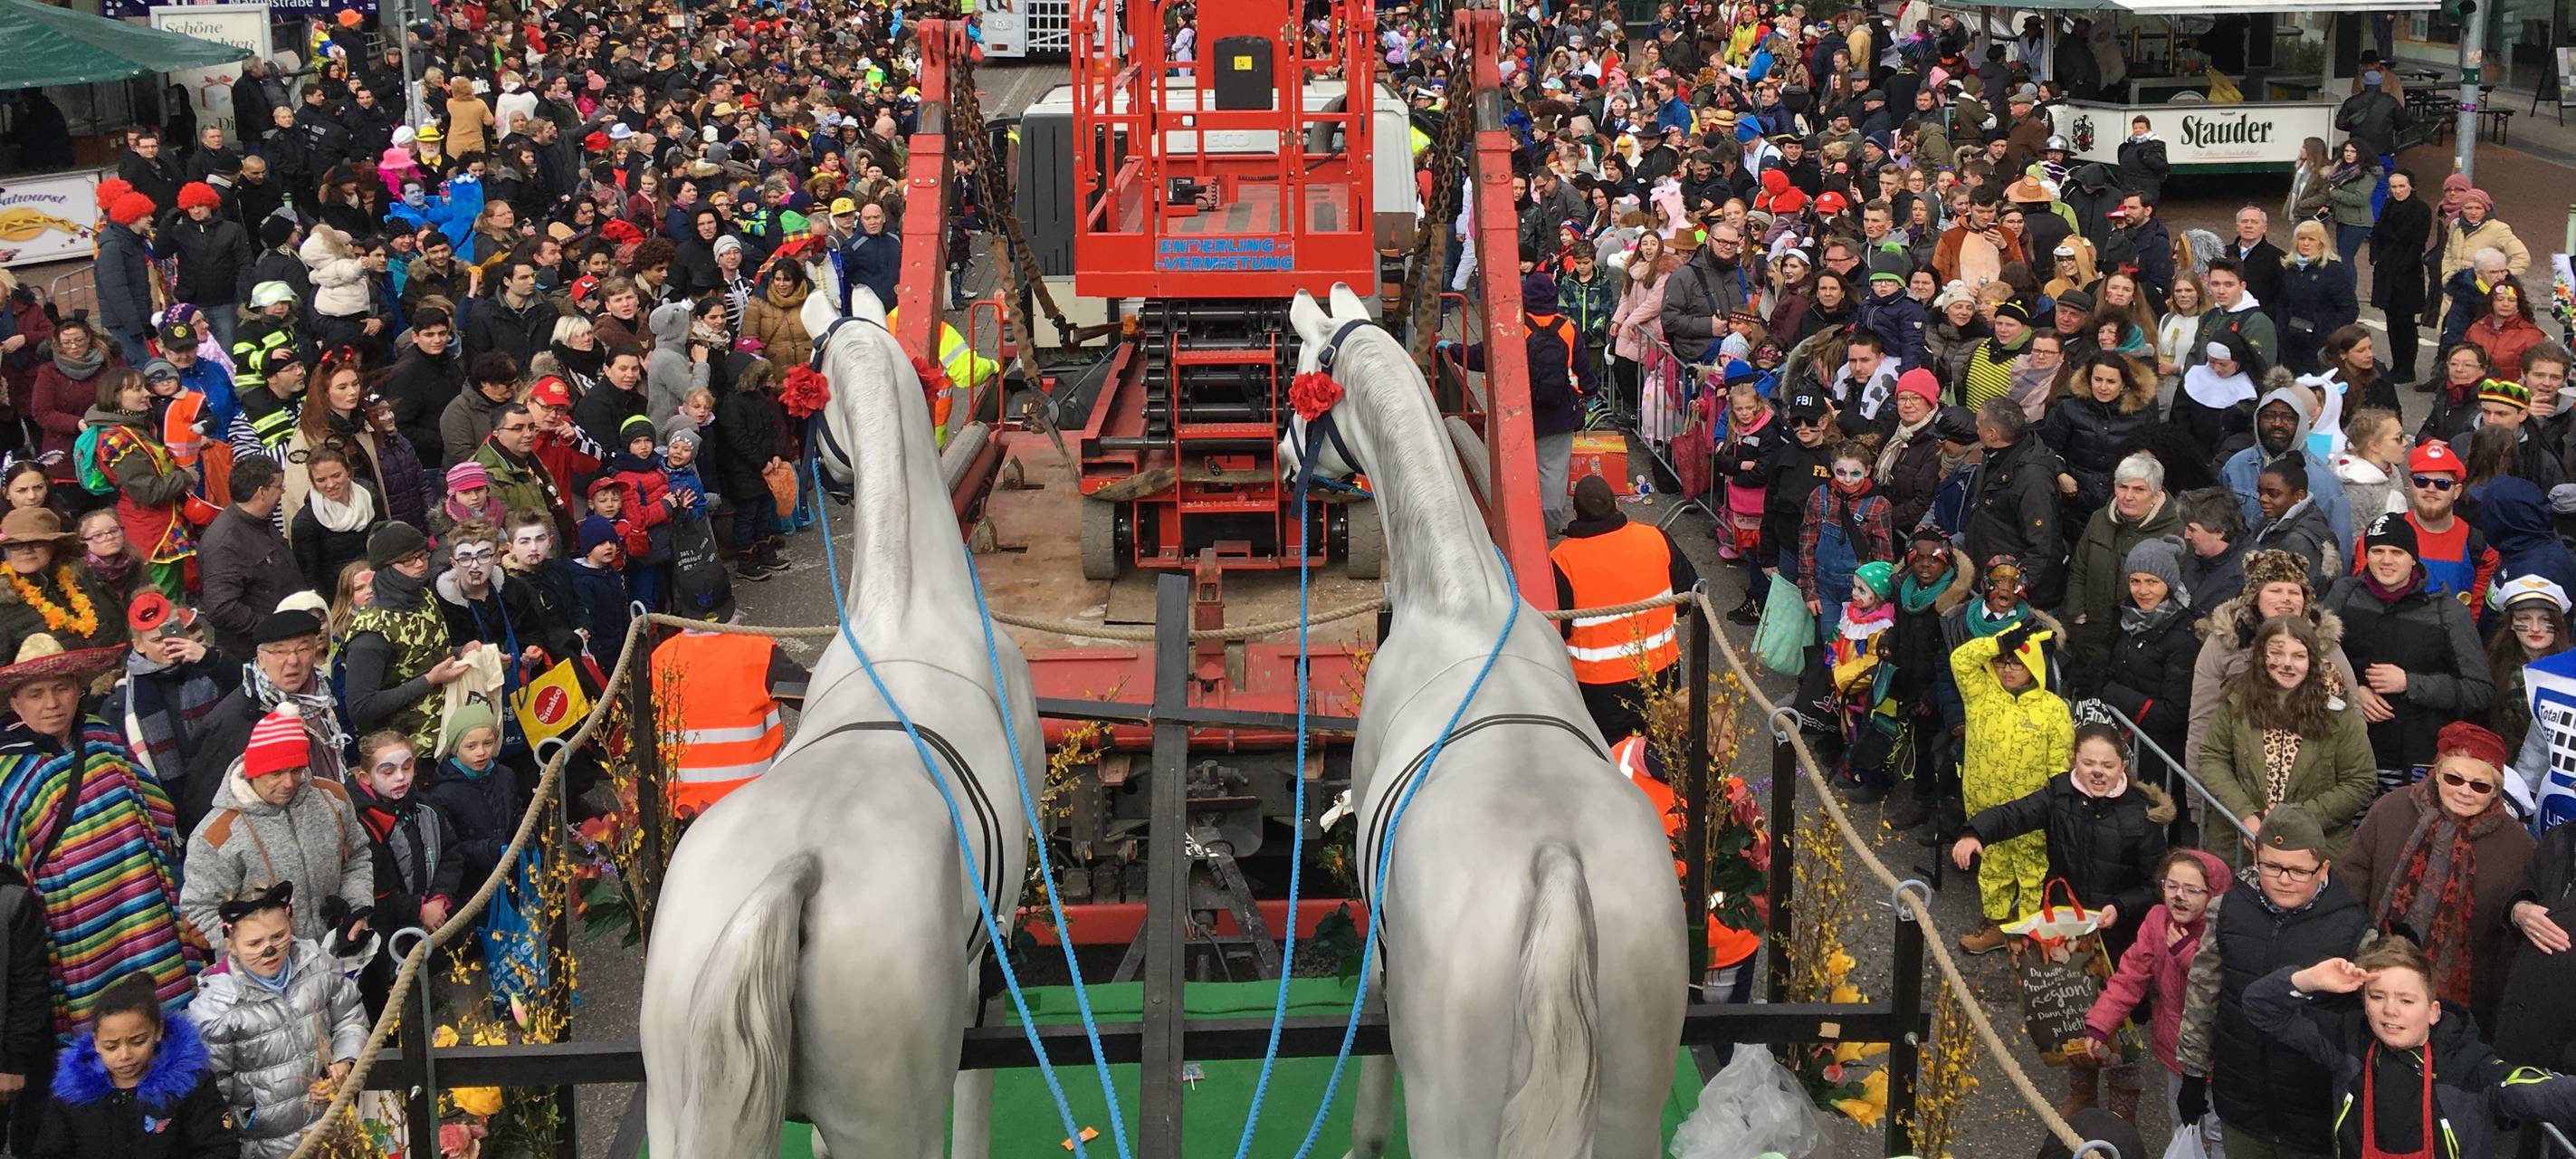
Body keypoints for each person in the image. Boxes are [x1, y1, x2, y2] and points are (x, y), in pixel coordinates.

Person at [1951, 722, 2171, 1116]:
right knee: (2074, 1012)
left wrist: (2120, 907)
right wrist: (1975, 833)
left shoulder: (2142, 815)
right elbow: (2015, 814)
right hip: (2067, 931)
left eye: (2107, 765)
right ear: (2074, 761)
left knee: (2121, 1024)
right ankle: (2083, 1094)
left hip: (2121, 937)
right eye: (2089, 763)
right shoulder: (2060, 794)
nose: (2098, 772)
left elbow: (2157, 885)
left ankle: (2122, 1114)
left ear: (2123, 766)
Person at [0, 633, 194, 1046]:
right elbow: (10, 873)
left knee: (159, 1012)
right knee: (99, 1036)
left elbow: (156, 808)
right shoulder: (8, 770)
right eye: (36, 694)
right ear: (15, 703)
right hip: (73, 926)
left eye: (61, 688)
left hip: (141, 904)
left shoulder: (102, 737)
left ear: (78, 689)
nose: (51, 703)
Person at [2245, 934, 2576, 1158]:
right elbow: (2259, 1007)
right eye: (2377, 997)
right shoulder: (2348, 1044)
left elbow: (2544, 1092)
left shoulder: (2470, 1068)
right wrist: (2310, 980)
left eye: (2406, 1000)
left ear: (2433, 1012)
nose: (2390, 1010)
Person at [2174, 804, 2371, 1158]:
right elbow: (2204, 992)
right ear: (2256, 858)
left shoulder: (2354, 928)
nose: (2284, 879)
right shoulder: (2227, 909)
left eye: (2298, 871)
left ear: (2323, 868)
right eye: (2272, 866)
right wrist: (2193, 1071)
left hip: (2314, 1114)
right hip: (2241, 1101)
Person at [2338, 720, 2534, 1034]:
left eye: (2479, 786)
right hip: (2374, 979)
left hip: (2464, 1003)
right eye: (2454, 778)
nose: (2464, 791)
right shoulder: (2391, 809)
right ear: (2437, 773)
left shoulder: (2518, 845)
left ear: (2496, 790)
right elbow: (2350, 885)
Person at [2325, 512, 2495, 799]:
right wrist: (2355, 691)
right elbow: (2312, 659)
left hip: (2414, 760)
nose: (2386, 560)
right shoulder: (2344, 595)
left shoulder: (2447, 612)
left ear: (2414, 558)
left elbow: (2480, 690)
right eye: (2377, 551)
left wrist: (2410, 682)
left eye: (2397, 552)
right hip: (2347, 754)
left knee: (2402, 825)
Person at [191, 882, 365, 1159]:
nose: (269, 950)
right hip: (265, 1144)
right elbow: (213, 1091)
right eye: (254, 943)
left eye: (278, 936)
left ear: (290, 925)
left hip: (332, 1123)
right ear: (231, 945)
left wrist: (345, 1063)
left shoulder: (318, 965)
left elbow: (349, 1017)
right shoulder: (216, 1009)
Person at [2081, 848, 2233, 1158]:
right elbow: (2130, 976)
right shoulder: (2156, 920)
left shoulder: (2226, 930)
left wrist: (2187, 953)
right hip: (2175, 1044)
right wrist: (2100, 1023)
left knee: (2220, 1129)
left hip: (2222, 1054)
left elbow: (2225, 985)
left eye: (2192, 890)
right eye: (2171, 885)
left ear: (2215, 894)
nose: (2179, 897)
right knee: (2182, 1117)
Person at [2199, 609, 2380, 860]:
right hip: (2240, 843)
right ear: (2260, 656)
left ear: (2312, 659)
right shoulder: (2237, 699)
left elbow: (2360, 780)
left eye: (2298, 655)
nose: (2287, 663)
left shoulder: (2337, 708)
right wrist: (2244, 814)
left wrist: (2294, 819)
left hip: (2315, 847)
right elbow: (2212, 757)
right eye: (2276, 653)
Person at [1950, 621, 2073, 953]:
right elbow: (1960, 660)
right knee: (1993, 868)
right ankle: (1997, 925)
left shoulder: (2053, 710)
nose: (2007, 669)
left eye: (2016, 663)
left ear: (2033, 666)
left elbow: (2059, 766)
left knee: (2033, 872)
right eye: (2002, 662)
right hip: (1986, 811)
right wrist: (1998, 643)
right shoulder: (1981, 694)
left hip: (2031, 814)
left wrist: (2060, 807)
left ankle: (2029, 934)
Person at [1549, 476, 1694, 742]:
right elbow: (1687, 597)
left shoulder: (1561, 560)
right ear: (1616, 505)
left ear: (1576, 514)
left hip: (1599, 689)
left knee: (1610, 756)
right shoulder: (1655, 538)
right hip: (1662, 673)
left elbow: (1556, 628)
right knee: (1662, 750)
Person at [30, 972, 233, 1159]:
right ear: (96, 1042)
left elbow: (218, 1147)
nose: (125, 1055)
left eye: (137, 1042)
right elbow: (49, 1152)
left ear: (158, 1031)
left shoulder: (190, 1084)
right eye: (111, 1046)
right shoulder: (72, 1093)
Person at [1449, 273, 1594, 532]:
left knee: (1515, 468)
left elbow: (1480, 357)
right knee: (1552, 469)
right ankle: (1549, 526)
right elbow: (1583, 370)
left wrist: (1450, 349)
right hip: (1559, 411)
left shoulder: (1514, 326)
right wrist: (1589, 394)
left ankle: (1516, 522)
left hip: (1519, 411)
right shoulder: (1568, 328)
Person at [340, 524, 472, 754]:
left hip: (451, 732)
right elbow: (361, 707)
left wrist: (461, 651)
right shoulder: (371, 633)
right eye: (409, 560)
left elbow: (422, 655)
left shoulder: (424, 597)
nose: (420, 564)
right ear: (385, 567)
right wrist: (429, 681)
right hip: (408, 752)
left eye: (423, 555)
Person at [2062, 453, 2181, 684]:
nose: (2128, 496)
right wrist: (2077, 613)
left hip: (2137, 649)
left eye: (2139, 490)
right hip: (2089, 637)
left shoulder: (2174, 533)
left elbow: (2174, 593)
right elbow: (2079, 569)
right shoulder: (2099, 519)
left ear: (2156, 494)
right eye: (2122, 487)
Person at [2223, 384, 2356, 558]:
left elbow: (2340, 551)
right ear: (2257, 420)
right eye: (2269, 416)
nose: (2277, 423)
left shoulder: (2325, 483)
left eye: (2288, 418)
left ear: (2302, 424)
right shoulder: (2236, 466)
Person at [1963, 397, 2068, 609]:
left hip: (2014, 597)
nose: (1976, 430)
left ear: (1993, 434)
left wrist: (2013, 589)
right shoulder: (1994, 455)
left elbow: (2044, 547)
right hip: (1988, 579)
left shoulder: (2033, 480)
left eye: (1978, 426)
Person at [2488, 575, 2571, 765]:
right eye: (2524, 618)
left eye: (2545, 620)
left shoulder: (2570, 670)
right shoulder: (2493, 668)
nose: (2535, 628)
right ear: (2511, 624)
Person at [2371, 170, 2435, 386]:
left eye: (2402, 186)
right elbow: (2378, 231)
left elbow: (2417, 242)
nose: (2398, 191)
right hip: (2386, 268)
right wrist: (2376, 257)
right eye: (2394, 187)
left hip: (2406, 272)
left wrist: (2402, 265)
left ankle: (2407, 367)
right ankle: (2397, 365)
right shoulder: (2389, 205)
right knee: (2391, 320)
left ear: (2411, 186)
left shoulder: (2420, 209)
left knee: (2405, 322)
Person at [2279, 221, 2360, 378]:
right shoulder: (2288, 268)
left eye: (2311, 239)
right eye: (2302, 239)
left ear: (2321, 243)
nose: (2306, 243)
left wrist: (2325, 333)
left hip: (2318, 345)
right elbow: (2282, 303)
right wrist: (2281, 327)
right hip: (2290, 342)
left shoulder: (2333, 270)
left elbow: (2350, 309)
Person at [2247, 459, 2341, 588]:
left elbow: (2297, 591)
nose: (2263, 499)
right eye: (2260, 492)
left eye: (2273, 494)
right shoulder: (2273, 519)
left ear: (2299, 496)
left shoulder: (2299, 541)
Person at [2333, 407, 2409, 523]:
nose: (2406, 443)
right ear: (2374, 446)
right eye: (2398, 438)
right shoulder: (2354, 489)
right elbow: (2354, 532)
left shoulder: (2392, 469)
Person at [2466, 279, 2547, 385]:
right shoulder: (2475, 329)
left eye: (2511, 300)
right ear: (2491, 302)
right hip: (2475, 389)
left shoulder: (2532, 335)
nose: (2505, 304)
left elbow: (2538, 370)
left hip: (2513, 391)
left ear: (2518, 304)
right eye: (2500, 299)